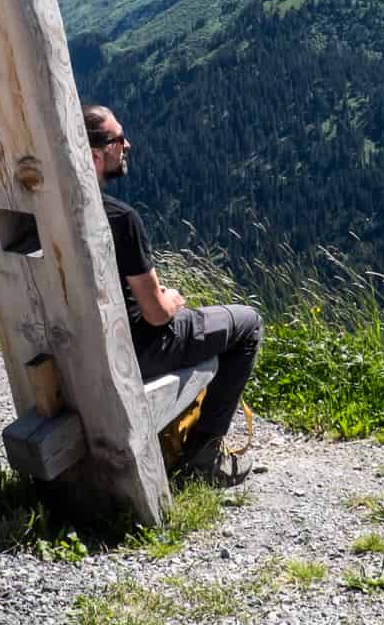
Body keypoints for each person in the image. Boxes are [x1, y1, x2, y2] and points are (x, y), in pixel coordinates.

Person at [84, 103, 263, 485]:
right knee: (247, 324)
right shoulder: (119, 219)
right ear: (96, 154)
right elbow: (156, 315)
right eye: (119, 140)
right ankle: (202, 458)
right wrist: (173, 299)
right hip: (133, 349)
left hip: (75, 351)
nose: (127, 144)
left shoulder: (45, 210)